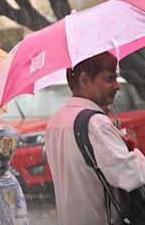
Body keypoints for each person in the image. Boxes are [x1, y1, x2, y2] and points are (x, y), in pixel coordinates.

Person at [45, 51, 145, 225]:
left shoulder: (55, 121)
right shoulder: (96, 124)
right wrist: (135, 149)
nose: (117, 85)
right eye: (109, 79)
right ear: (84, 80)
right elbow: (130, 176)